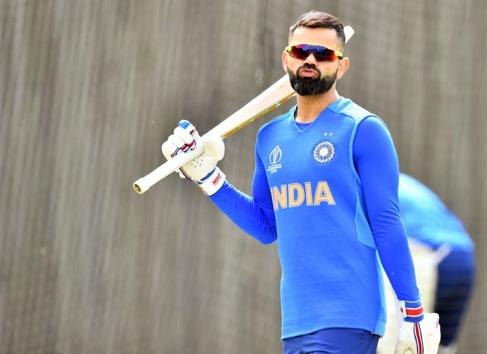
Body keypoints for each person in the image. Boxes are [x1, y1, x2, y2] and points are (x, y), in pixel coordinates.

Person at [160, 11, 439, 354]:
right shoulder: (270, 137)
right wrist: (208, 178)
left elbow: (386, 224)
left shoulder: (363, 129)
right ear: (285, 59)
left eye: (323, 54)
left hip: (348, 316)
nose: (309, 60)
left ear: (342, 66)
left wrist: (412, 312)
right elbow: (266, 226)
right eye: (300, 51)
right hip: (295, 321)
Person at [394, 173, 476, 354]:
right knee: (442, 347)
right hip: (463, 257)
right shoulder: (404, 181)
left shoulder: (370, 182)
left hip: (431, 257)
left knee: (411, 344)